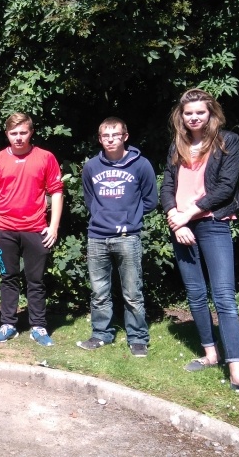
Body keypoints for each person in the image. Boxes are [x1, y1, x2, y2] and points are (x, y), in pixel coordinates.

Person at [160, 88, 239, 394]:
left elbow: (225, 187)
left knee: (224, 297)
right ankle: (210, 355)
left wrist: (189, 214)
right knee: (195, 294)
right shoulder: (177, 145)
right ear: (181, 117)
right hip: (180, 227)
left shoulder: (227, 141)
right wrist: (174, 216)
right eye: (188, 113)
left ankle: (238, 374)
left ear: (211, 114)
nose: (194, 117)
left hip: (212, 224)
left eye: (200, 112)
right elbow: (167, 187)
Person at [0, 112, 64, 346]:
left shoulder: (45, 157)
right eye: (13, 133)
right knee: (8, 278)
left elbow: (56, 191)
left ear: (31, 132)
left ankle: (38, 326)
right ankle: (8, 324)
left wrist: (53, 226)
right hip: (4, 229)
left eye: (23, 133)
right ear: (7, 134)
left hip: (36, 229)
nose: (18, 138)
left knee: (35, 280)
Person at [77, 117, 157, 357]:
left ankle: (137, 339)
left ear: (125, 136)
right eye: (105, 136)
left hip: (128, 237)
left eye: (115, 135)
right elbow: (89, 200)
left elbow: (151, 200)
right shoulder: (92, 166)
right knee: (99, 291)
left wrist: (128, 218)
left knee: (132, 292)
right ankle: (101, 334)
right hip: (97, 236)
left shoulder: (141, 165)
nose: (110, 140)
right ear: (100, 139)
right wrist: (103, 217)